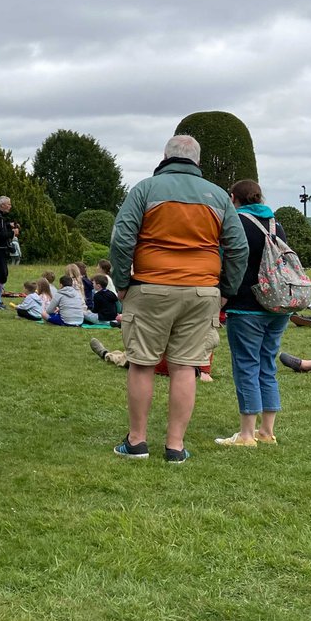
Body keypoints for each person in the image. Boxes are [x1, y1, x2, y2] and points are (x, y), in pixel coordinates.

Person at [109, 134, 248, 462]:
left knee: (142, 364)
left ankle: (137, 442)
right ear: (197, 161)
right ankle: (175, 446)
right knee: (186, 367)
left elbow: (121, 239)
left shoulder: (144, 189)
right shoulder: (217, 196)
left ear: (165, 157)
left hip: (150, 286)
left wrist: (122, 283)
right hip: (202, 290)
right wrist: (226, 289)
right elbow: (238, 247)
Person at [215, 179, 292, 447]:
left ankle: (246, 434)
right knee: (267, 366)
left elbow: (225, 259)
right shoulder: (275, 223)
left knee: (246, 366)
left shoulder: (236, 223)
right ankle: (267, 431)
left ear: (233, 197)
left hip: (246, 305)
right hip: (278, 304)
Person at [89, 338, 214, 383]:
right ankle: (105, 353)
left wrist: (204, 371)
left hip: (179, 362)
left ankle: (106, 353)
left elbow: (207, 342)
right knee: (125, 357)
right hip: (148, 357)